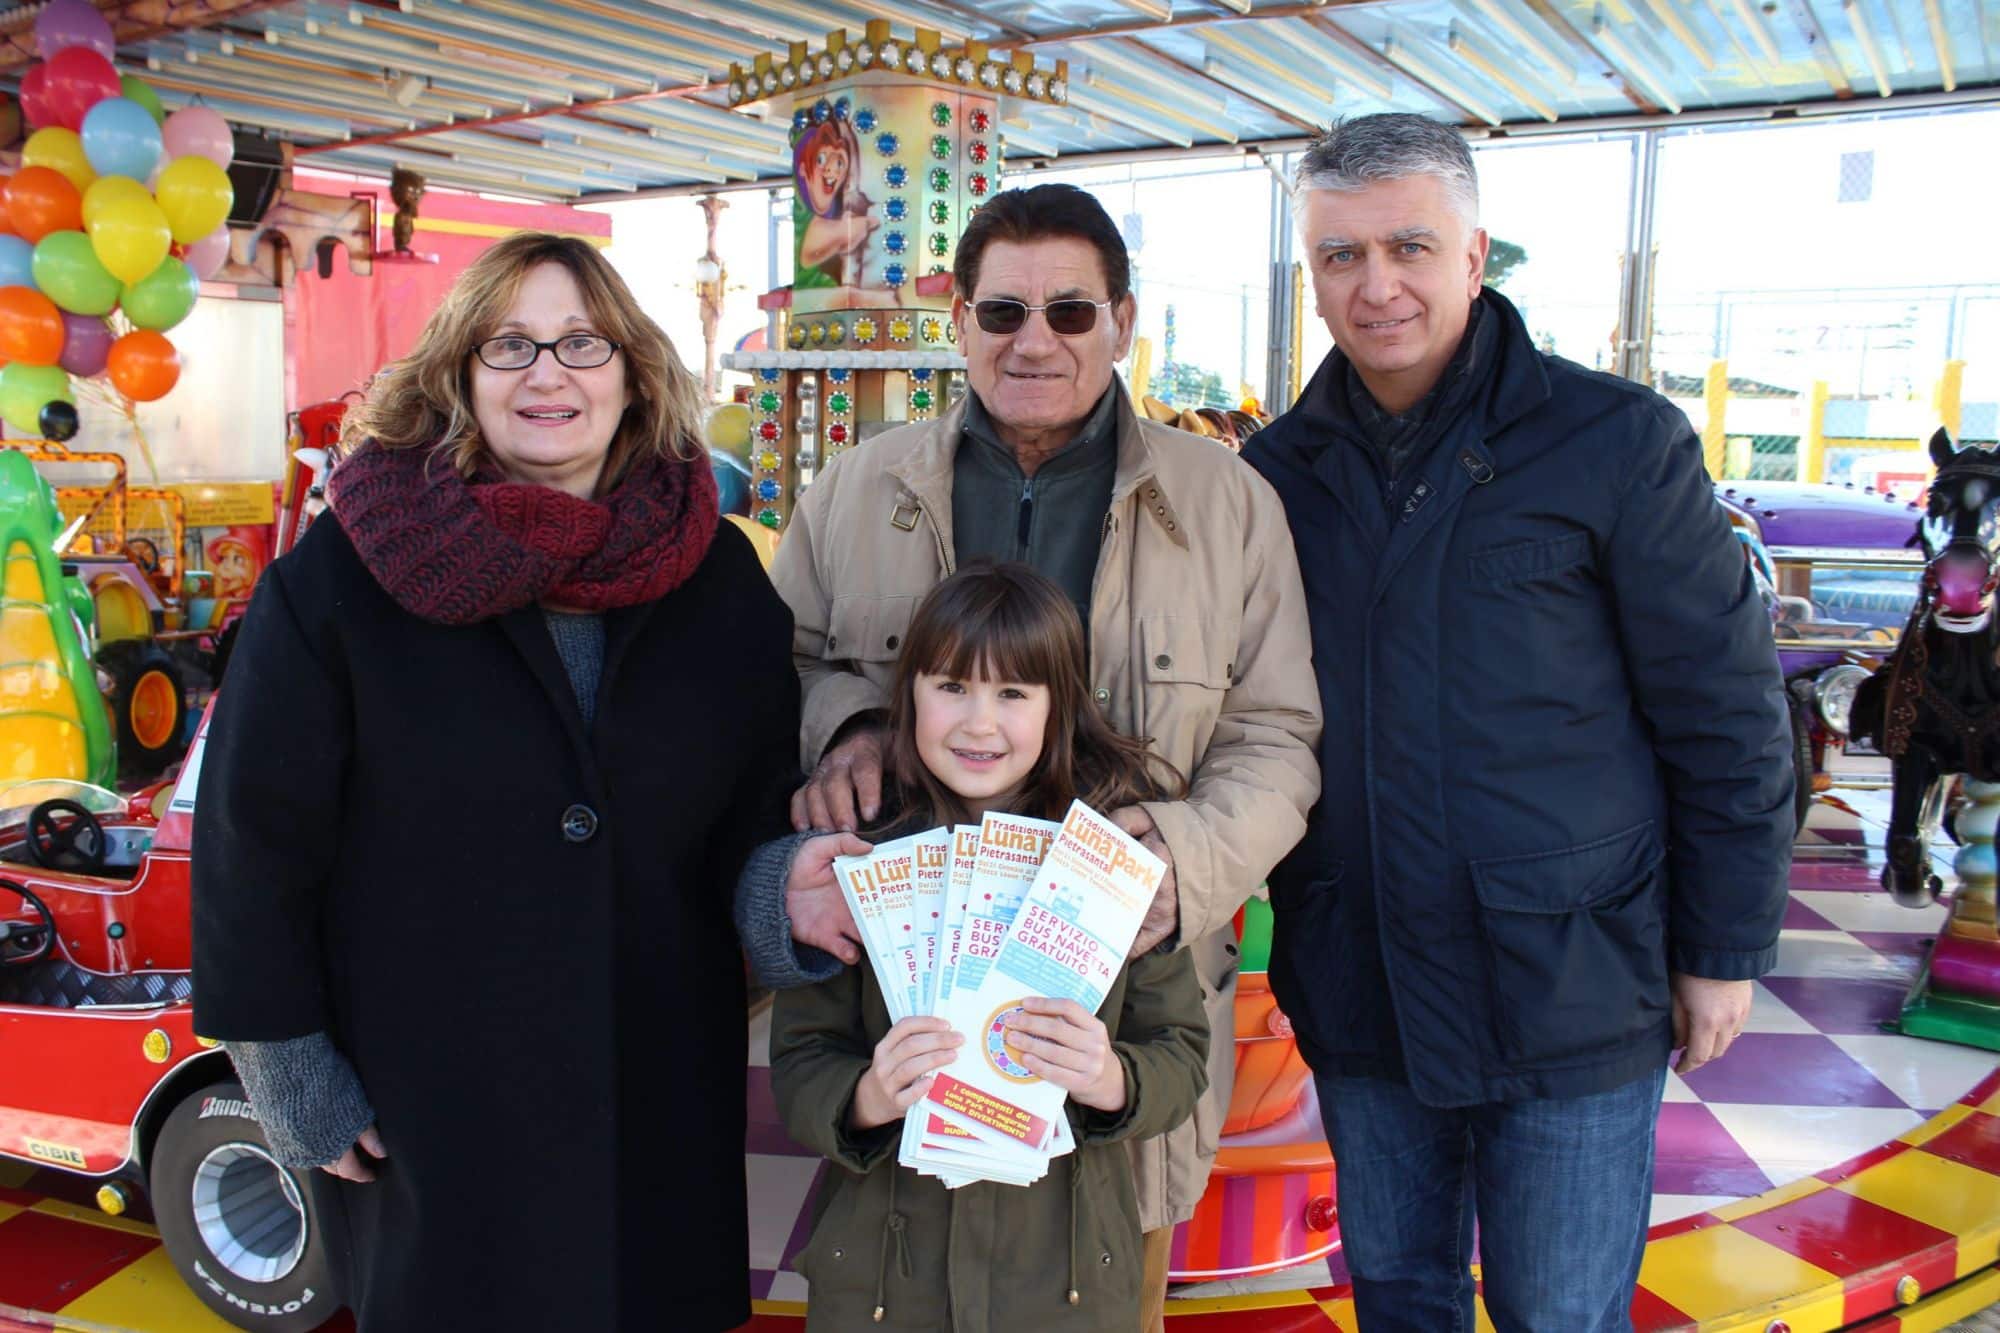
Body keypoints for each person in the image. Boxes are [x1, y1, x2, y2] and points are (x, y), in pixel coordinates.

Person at [1241, 115, 1794, 1330]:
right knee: (1397, 1295)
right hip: (1363, 977)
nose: (1375, 286)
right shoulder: (1275, 473)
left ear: (1474, 251)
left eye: (1408, 246)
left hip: (1573, 983)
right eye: (1339, 256)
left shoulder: (1613, 442)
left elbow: (1726, 715)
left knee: (1557, 1311)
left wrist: (1720, 946)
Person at [191, 232, 802, 1331]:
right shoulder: (341, 579)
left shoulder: (717, 580)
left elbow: (753, 813)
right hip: (428, 1105)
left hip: (653, 1093)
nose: (547, 373)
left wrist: (786, 898)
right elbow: (253, 843)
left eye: (580, 341)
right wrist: (287, 1070)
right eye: (508, 344)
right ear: (460, 376)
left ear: (632, 371)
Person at [770, 182, 1321, 1329]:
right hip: (900, 1026)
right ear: (959, 321)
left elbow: (1277, 733)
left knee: (1101, 1285)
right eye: (1002, 311)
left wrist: (1181, 858)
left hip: (1116, 1009)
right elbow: (782, 668)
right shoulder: (859, 490)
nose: (1034, 341)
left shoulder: (1226, 504)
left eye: (1070, 313)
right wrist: (849, 725)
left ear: (1122, 321)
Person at [761, 563, 1210, 1331]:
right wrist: (866, 1097)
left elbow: (1183, 1053)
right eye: (952, 687)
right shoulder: (861, 861)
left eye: (1012, 693)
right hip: (882, 1280)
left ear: (1058, 706)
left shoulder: (1111, 864)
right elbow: (801, 1059)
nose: (978, 724)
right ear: (906, 697)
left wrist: (1110, 1077)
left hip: (1063, 1280)